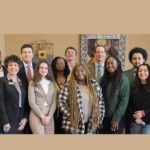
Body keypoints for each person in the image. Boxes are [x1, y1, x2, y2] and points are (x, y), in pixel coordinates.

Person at [59, 64, 105, 134]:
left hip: (90, 123)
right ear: (73, 73)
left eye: (82, 70)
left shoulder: (94, 85)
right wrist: (72, 115)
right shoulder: (68, 86)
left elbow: (101, 102)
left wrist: (99, 117)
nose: (80, 73)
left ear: (86, 71)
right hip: (73, 124)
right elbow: (61, 102)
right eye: (77, 71)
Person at [100, 55, 130, 134]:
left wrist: (116, 118)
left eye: (112, 63)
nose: (109, 65)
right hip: (104, 117)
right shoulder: (104, 78)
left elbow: (124, 101)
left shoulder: (123, 79)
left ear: (118, 64)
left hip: (117, 118)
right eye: (107, 63)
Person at [0, 55, 29, 134]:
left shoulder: (23, 82)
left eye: (15, 65)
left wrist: (25, 118)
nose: (13, 67)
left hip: (21, 120)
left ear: (19, 67)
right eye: (10, 65)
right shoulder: (2, 81)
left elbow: (27, 102)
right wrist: (5, 121)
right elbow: (0, 102)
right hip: (7, 120)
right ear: (6, 67)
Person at [28, 60, 57, 134]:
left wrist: (49, 116)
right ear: (37, 69)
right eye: (41, 68)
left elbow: (54, 102)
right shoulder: (32, 83)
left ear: (48, 70)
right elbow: (31, 102)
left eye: (46, 68)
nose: (44, 70)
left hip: (49, 114)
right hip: (36, 113)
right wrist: (42, 116)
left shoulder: (53, 83)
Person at [124, 47, 148, 133]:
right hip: (130, 112)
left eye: (139, 58)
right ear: (131, 60)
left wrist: (143, 113)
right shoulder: (125, 74)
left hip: (146, 116)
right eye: (134, 58)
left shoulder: (147, 74)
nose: (137, 60)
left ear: (144, 59)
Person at [17, 44, 36, 133]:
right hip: (21, 105)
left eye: (29, 52)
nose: (27, 54)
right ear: (21, 54)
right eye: (24, 52)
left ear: (33, 54)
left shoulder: (38, 67)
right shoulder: (15, 68)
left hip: (35, 104)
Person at [127, 64, 150, 134]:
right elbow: (128, 104)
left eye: (145, 71)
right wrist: (135, 117)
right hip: (135, 121)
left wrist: (143, 113)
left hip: (148, 122)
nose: (142, 73)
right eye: (140, 71)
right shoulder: (132, 86)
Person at [51, 56, 70, 134]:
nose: (60, 65)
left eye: (62, 63)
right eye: (58, 63)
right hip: (54, 109)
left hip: (67, 109)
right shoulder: (50, 78)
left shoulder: (70, 77)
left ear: (65, 65)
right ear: (54, 65)